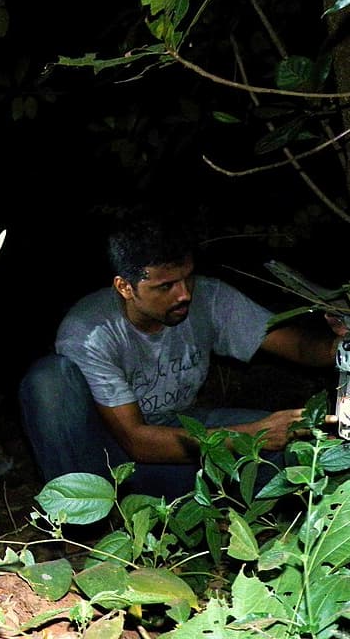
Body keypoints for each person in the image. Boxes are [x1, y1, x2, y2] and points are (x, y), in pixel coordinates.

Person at [19, 209, 346, 499]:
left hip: (180, 437)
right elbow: (136, 441)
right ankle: (72, 519)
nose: (184, 294)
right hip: (110, 457)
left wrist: (340, 345)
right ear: (125, 287)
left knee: (303, 447)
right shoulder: (89, 330)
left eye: (188, 278)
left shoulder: (211, 298)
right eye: (165, 286)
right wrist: (255, 434)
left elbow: (300, 347)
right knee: (48, 378)